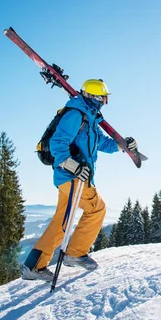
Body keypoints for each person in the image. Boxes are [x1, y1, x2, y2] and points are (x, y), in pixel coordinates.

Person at [21, 79, 137, 281]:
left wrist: (122, 145)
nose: (104, 102)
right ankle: (75, 253)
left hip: (70, 178)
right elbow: (58, 142)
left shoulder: (89, 120)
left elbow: (103, 144)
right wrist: (72, 166)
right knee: (97, 208)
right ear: (94, 97)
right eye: (103, 98)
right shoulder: (76, 114)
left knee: (61, 223)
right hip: (73, 177)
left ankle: (34, 266)